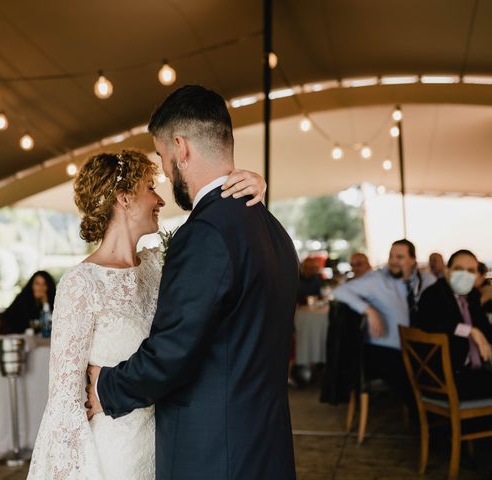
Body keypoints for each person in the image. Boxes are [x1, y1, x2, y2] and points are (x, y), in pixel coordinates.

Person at [86, 85, 299, 479]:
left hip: (215, 457)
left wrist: (105, 388)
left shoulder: (205, 234)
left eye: (163, 158)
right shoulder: (273, 230)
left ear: (181, 148)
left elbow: (171, 353)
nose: (165, 173)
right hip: (266, 448)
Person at [27, 144, 269, 478]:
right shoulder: (81, 284)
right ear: (124, 198)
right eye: (151, 188)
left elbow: (213, 242)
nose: (160, 200)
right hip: (115, 457)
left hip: (169, 446)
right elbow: (65, 402)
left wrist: (250, 188)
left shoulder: (160, 265)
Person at [333, 239, 436, 405]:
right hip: (385, 348)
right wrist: (369, 310)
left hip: (418, 347)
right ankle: (424, 420)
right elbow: (340, 291)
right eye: (391, 256)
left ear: (413, 260)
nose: (393, 261)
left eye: (400, 257)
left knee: (437, 368)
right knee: (411, 378)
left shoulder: (427, 279)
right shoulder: (377, 279)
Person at [417, 250, 492, 400]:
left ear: (477, 275)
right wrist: (471, 331)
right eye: (459, 269)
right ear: (447, 271)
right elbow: (433, 323)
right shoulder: (432, 294)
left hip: (473, 373)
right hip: (444, 379)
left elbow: (486, 330)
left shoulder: (473, 296)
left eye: (471, 271)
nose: (465, 275)